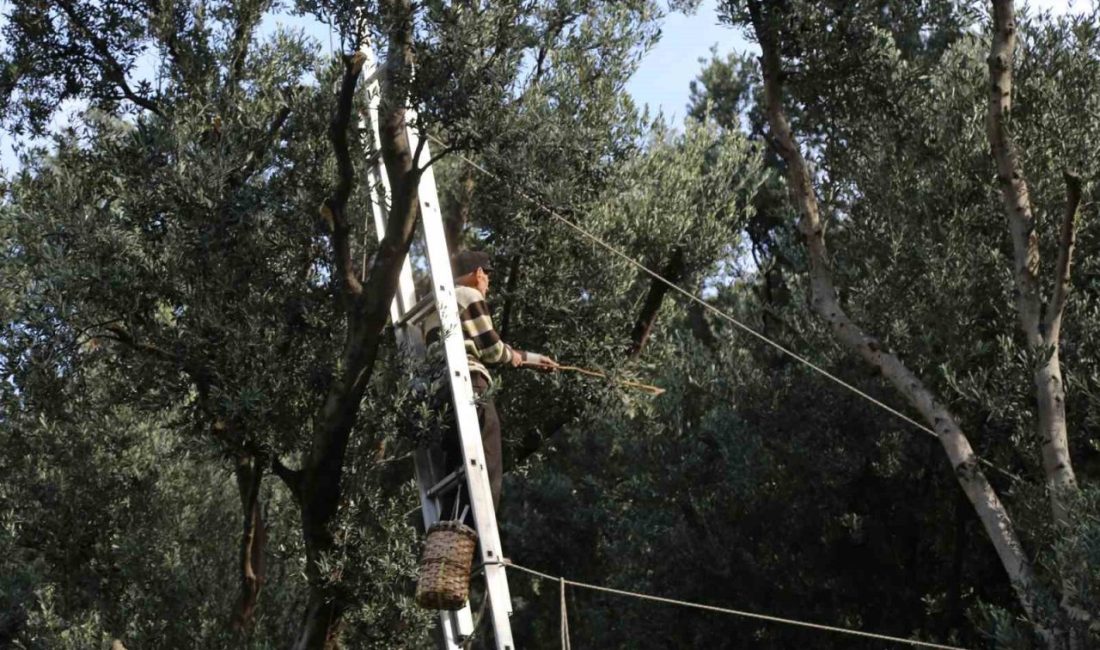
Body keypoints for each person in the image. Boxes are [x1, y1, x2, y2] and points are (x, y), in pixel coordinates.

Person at [422, 250, 558, 510]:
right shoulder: (469, 296)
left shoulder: (435, 306)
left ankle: (452, 538)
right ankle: (480, 536)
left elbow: (479, 342)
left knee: (455, 462)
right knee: (488, 459)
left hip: (442, 392)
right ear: (478, 274)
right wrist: (512, 358)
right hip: (470, 383)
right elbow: (492, 350)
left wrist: (531, 358)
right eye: (488, 278)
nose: (488, 285)